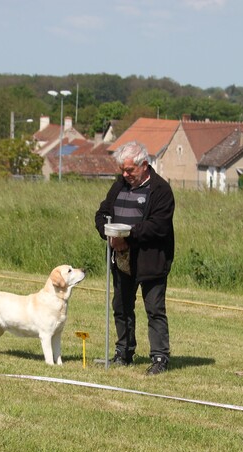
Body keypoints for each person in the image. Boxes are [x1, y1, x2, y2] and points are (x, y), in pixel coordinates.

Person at [94, 141, 176, 375]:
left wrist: (126, 236)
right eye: (122, 169)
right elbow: (102, 213)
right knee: (121, 307)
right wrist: (108, 234)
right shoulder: (119, 185)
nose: (125, 174)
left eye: (129, 170)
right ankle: (124, 352)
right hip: (121, 258)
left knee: (154, 310)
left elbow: (157, 226)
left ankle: (160, 357)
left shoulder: (160, 190)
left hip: (151, 260)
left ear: (144, 165)